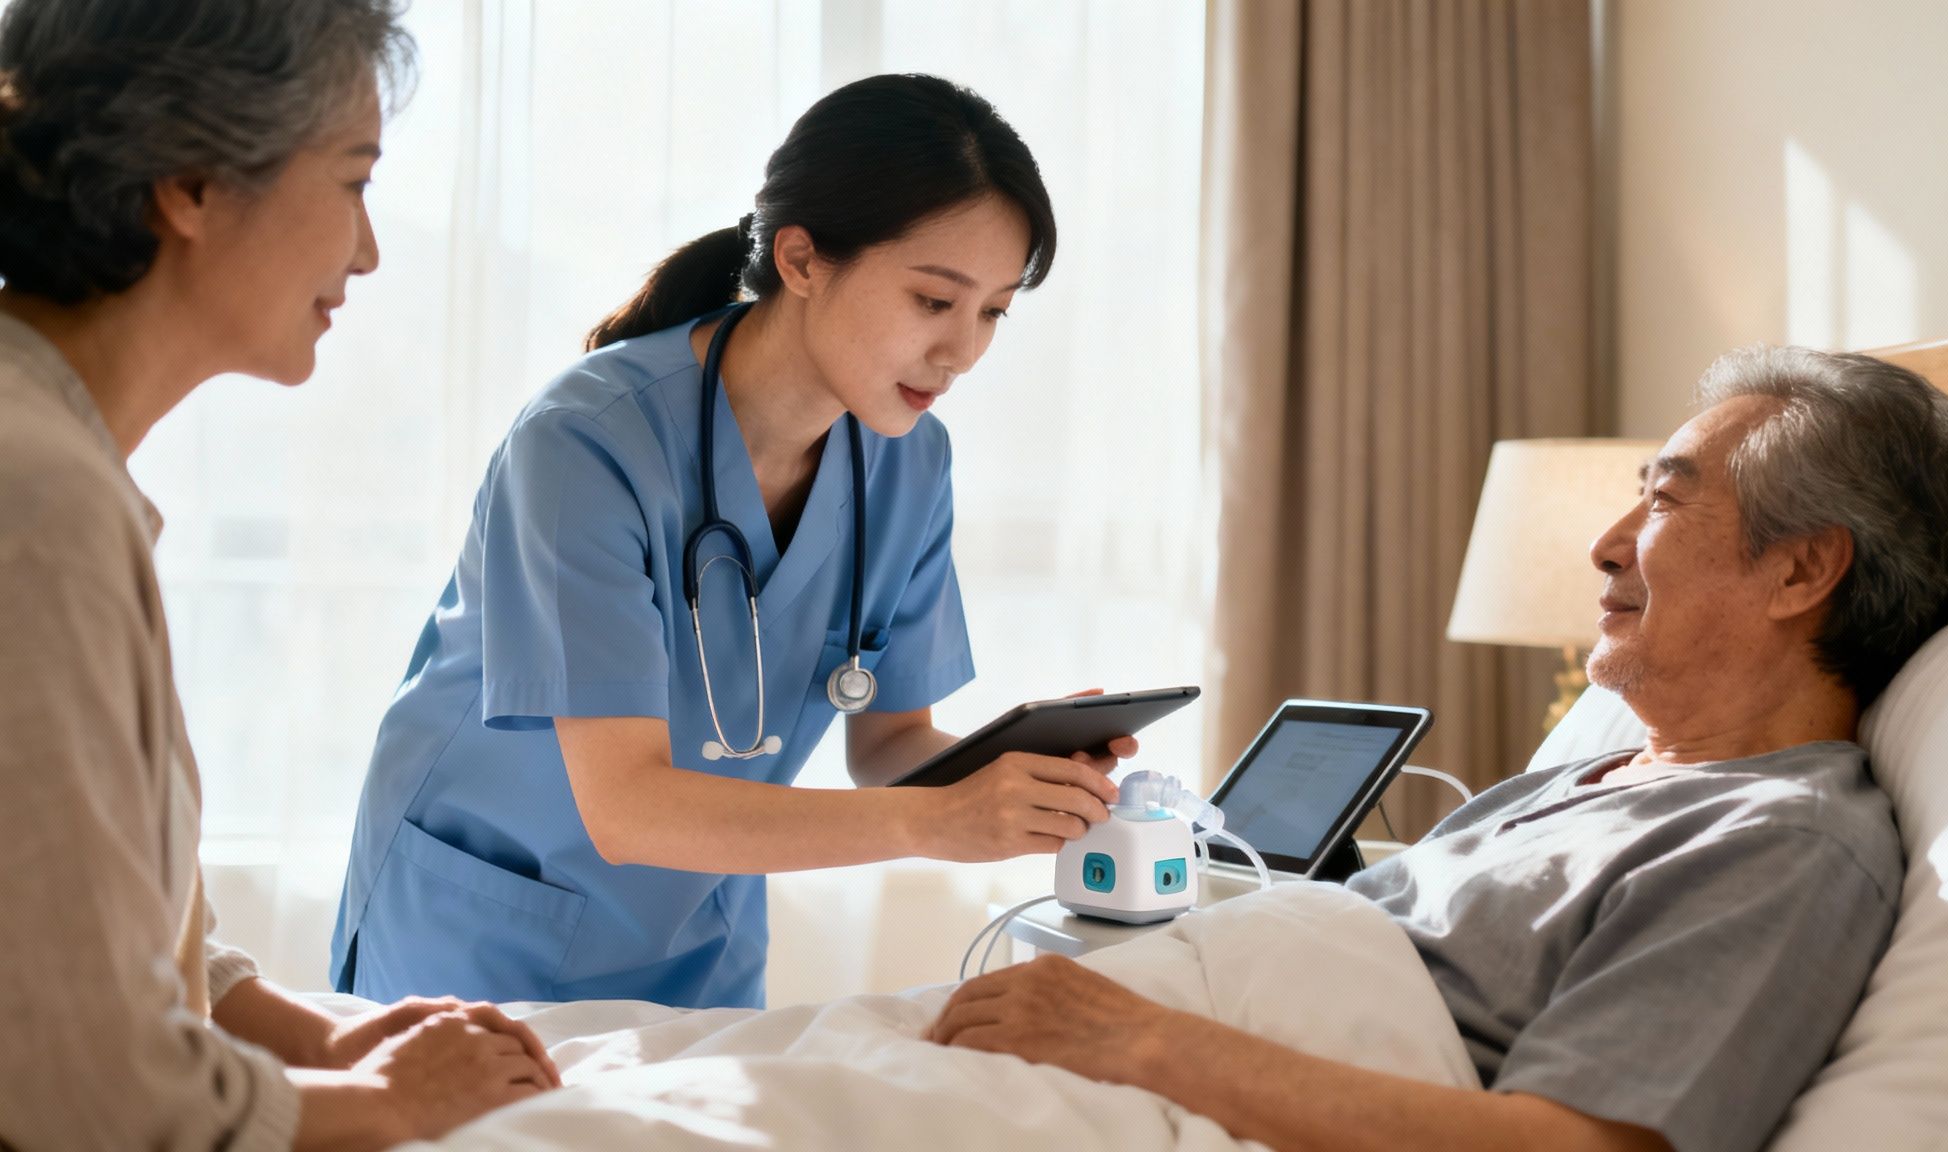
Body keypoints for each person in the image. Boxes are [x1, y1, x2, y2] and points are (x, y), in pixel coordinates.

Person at [930, 347, 1948, 1152]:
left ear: (1800, 572)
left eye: (1664, 500)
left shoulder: (1778, 841)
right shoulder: (1583, 780)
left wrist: (1140, 1039)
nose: (1603, 544)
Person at [331, 72, 1131, 1010]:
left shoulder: (909, 463)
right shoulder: (585, 444)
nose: (963, 350)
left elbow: (889, 743)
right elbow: (627, 806)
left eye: (993, 311)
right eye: (932, 301)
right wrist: (939, 820)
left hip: (695, 935)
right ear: (800, 259)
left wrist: (1011, 775)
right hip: (487, 931)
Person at [0, 2, 560, 1149]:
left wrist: (309, 1039)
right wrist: (399, 1102)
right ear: (193, 181)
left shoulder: (54, 461)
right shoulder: (38, 500)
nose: (367, 250)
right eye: (354, 181)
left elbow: (62, 899)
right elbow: (88, 1093)